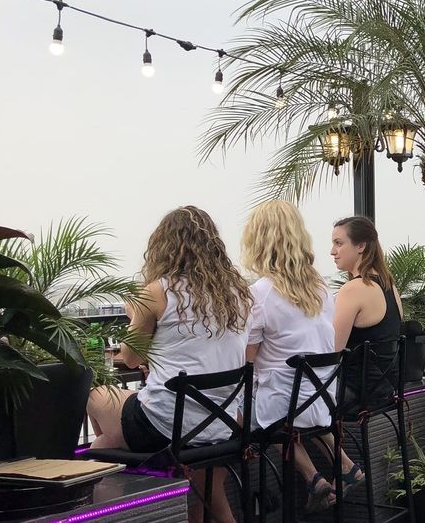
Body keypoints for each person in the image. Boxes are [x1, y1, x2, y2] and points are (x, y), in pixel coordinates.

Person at [86, 206, 252, 523]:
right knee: (107, 441)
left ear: (163, 245)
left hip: (165, 427)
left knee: (94, 394)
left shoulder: (156, 292)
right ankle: (112, 446)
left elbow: (131, 357)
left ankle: (116, 471)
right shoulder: (237, 295)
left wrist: (134, 311)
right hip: (224, 424)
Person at [241, 201, 363, 513]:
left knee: (251, 412)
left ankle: (312, 477)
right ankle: (339, 467)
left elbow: (246, 361)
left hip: (286, 407)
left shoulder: (261, 293)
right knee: (287, 399)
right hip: (323, 403)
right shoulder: (320, 287)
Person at [331, 216, 403, 412]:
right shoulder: (390, 286)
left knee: (287, 398)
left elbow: (333, 351)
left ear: (361, 246)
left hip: (355, 393)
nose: (332, 251)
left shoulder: (354, 289)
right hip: (385, 391)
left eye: (339, 243)